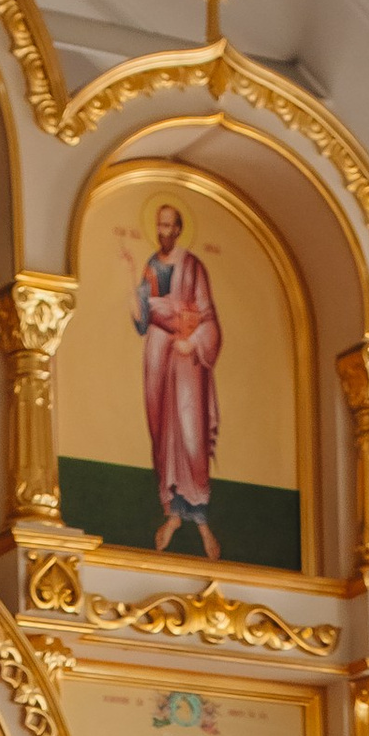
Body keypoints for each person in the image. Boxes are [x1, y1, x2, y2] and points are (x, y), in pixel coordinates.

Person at [131, 199, 222, 557]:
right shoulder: (152, 265)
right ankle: (172, 513)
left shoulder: (193, 266)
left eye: (170, 226)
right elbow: (142, 320)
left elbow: (209, 318)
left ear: (179, 229)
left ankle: (201, 521)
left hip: (186, 362)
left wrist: (194, 342)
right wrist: (136, 300)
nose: (164, 232)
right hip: (157, 358)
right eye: (160, 226)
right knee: (162, 433)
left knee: (190, 433)